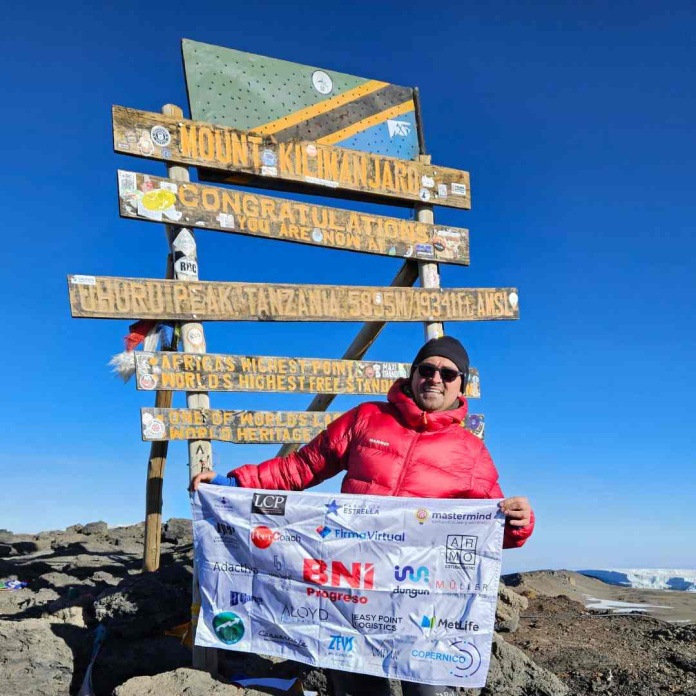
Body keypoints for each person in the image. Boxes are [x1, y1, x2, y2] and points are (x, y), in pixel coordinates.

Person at [192, 336, 534, 696]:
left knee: (426, 693)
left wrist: (519, 523)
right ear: (413, 373)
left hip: (425, 601)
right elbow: (302, 467)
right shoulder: (367, 418)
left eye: (448, 373)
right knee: (357, 688)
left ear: (460, 384)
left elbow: (494, 529)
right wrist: (233, 482)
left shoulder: (470, 451)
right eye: (428, 369)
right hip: (353, 588)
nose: (436, 378)